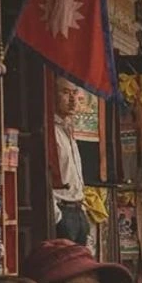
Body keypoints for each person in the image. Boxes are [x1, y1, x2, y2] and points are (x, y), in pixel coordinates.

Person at [53, 78, 89, 244]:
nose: (73, 100)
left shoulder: (67, 129)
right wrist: (57, 215)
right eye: (66, 93)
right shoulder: (51, 131)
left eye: (75, 93)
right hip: (63, 210)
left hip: (78, 209)